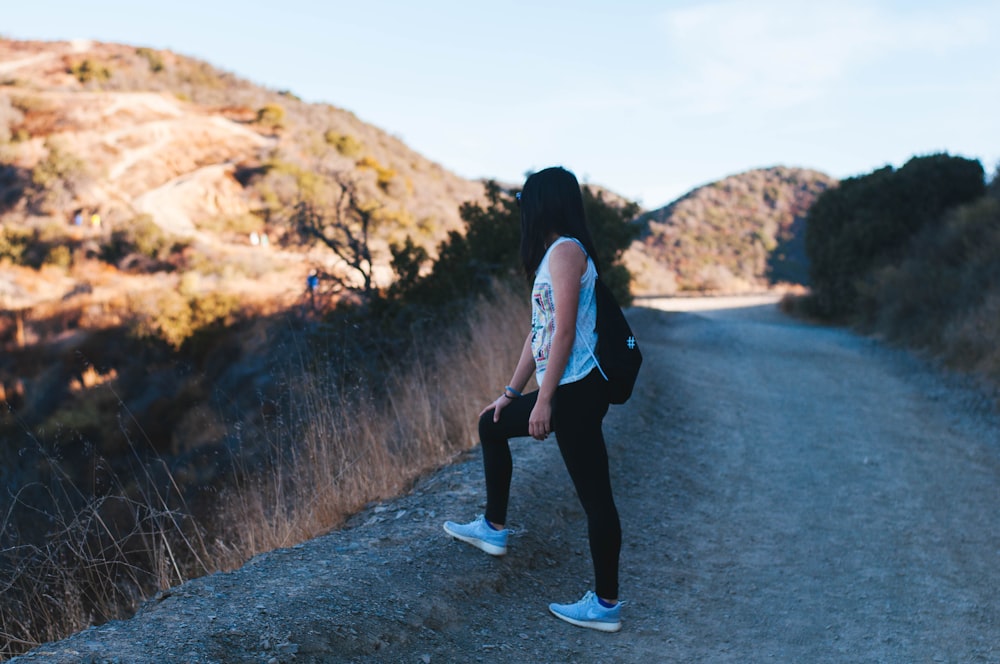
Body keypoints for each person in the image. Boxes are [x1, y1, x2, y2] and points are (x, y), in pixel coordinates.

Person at [443, 166, 624, 632]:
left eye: (527, 198)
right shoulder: (553, 255)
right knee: (492, 423)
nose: (522, 206)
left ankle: (605, 605)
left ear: (545, 202)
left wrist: (544, 402)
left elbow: (564, 332)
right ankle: (493, 528)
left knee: (595, 497)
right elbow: (538, 332)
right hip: (566, 389)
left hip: (576, 390)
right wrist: (510, 392)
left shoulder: (566, 253)